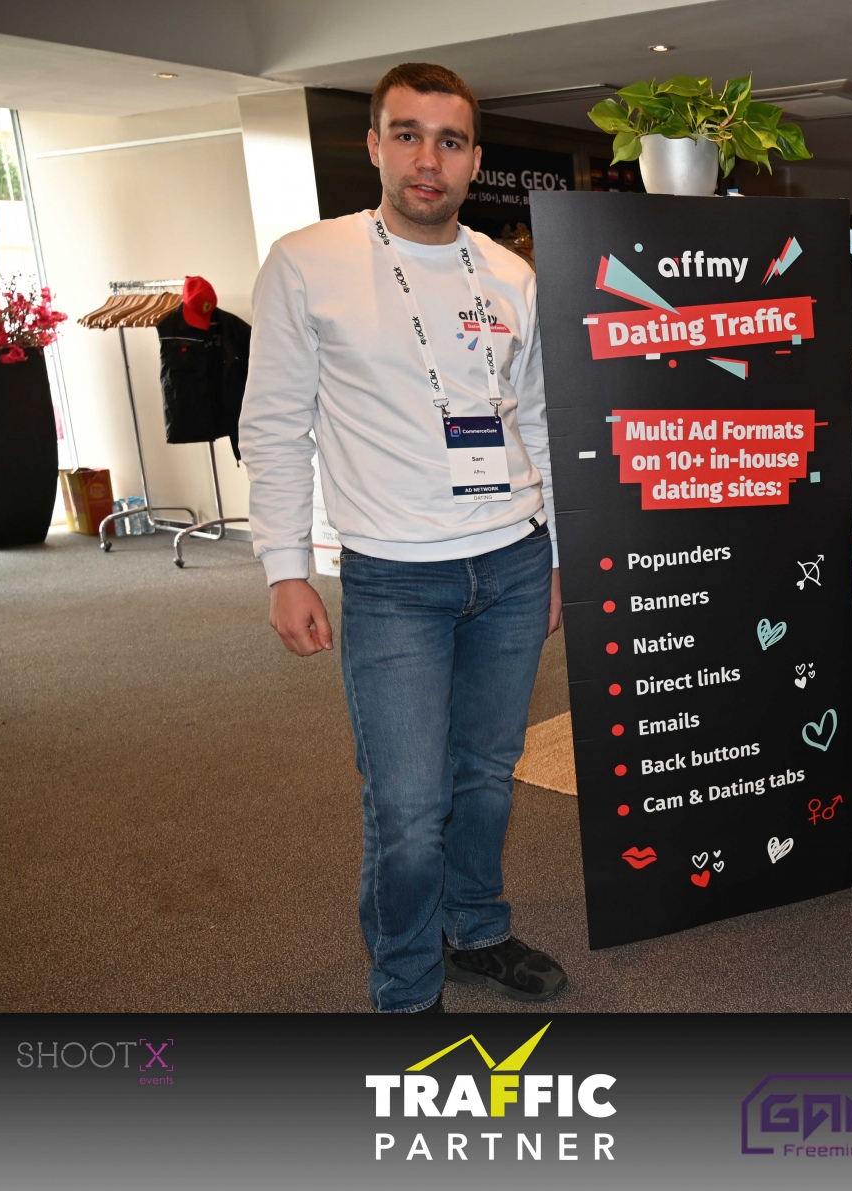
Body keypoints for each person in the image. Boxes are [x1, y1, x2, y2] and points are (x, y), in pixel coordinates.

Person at [239, 62, 568, 1013]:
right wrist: (285, 567)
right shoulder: (308, 261)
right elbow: (275, 425)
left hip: (512, 563)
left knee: (488, 778)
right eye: (409, 135)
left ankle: (479, 929)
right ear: (375, 145)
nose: (430, 160)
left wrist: (553, 555)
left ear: (475, 160)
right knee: (409, 804)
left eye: (450, 141)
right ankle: (407, 984)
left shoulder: (510, 274)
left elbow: (538, 423)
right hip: (393, 579)